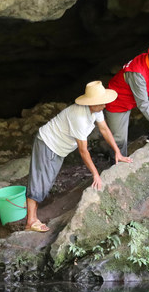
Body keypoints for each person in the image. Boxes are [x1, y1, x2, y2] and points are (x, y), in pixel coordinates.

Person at [25, 81, 132, 232]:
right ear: (92, 103)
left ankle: (33, 216)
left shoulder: (96, 110)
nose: (105, 105)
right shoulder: (79, 117)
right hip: (48, 143)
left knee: (46, 180)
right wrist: (95, 174)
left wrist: (118, 152)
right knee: (40, 180)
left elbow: (104, 129)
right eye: (102, 102)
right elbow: (83, 151)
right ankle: (31, 221)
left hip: (58, 147)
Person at [102, 40, 149, 155]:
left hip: (132, 98)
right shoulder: (137, 73)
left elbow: (148, 82)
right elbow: (143, 104)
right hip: (118, 103)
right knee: (119, 141)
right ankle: (117, 166)